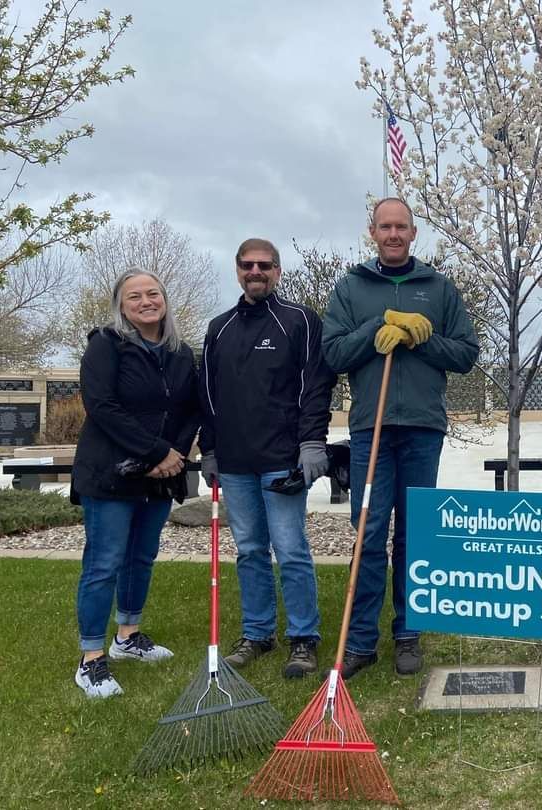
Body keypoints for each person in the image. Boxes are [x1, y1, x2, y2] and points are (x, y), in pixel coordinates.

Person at [322, 197, 479, 679]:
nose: (393, 234)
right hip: (371, 429)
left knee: (415, 534)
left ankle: (408, 633)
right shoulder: (351, 287)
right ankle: (362, 641)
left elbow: (466, 353)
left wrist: (420, 337)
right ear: (372, 232)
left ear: (413, 233)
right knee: (368, 532)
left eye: (401, 227)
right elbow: (331, 354)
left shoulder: (438, 287)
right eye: (384, 227)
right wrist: (377, 328)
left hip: (422, 430)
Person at [199, 238, 336, 679]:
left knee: (291, 549)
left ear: (277, 271)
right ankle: (257, 633)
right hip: (236, 463)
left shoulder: (299, 321)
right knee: (250, 551)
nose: (255, 271)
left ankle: (303, 638)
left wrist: (312, 443)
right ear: (237, 270)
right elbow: (207, 396)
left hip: (283, 459)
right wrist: (210, 449)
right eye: (247, 265)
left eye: (264, 265)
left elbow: (316, 386)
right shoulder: (218, 328)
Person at [71, 269, 200, 698]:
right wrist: (154, 452)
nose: (146, 301)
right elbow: (102, 406)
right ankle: (91, 659)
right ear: (121, 306)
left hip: (159, 477)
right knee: (104, 562)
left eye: (153, 293)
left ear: (164, 298)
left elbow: (191, 410)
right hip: (110, 474)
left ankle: (127, 637)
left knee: (141, 557)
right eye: (134, 296)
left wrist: (173, 456)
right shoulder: (107, 345)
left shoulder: (181, 353)